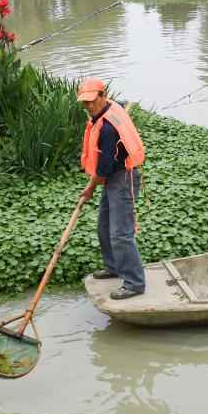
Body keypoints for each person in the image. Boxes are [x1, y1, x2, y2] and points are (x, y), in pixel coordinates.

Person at [77, 77, 146, 300]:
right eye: (85, 102)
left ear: (103, 96)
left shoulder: (107, 129)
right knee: (104, 227)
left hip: (123, 179)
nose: (89, 106)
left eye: (92, 100)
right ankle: (114, 267)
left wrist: (89, 189)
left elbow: (103, 170)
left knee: (121, 234)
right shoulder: (109, 108)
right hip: (113, 176)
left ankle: (134, 283)